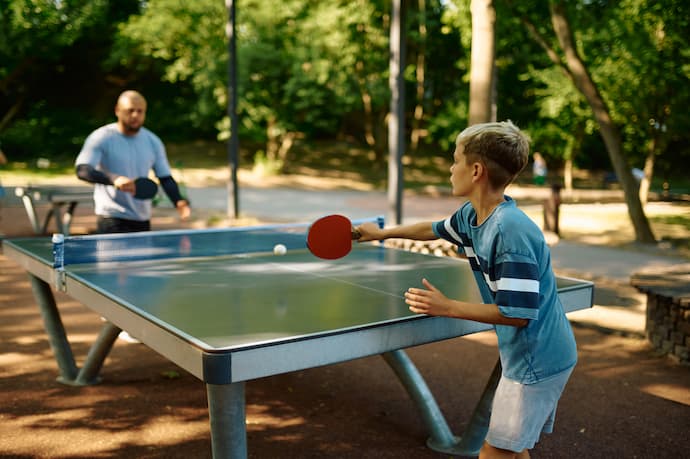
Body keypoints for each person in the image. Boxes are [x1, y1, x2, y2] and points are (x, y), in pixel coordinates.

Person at [356, 121, 577, 459]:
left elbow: (516, 314)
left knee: (494, 451)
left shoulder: (508, 232)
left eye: (455, 159)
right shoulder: (473, 216)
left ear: (475, 170)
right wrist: (381, 234)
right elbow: (431, 229)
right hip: (530, 355)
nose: (450, 167)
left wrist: (448, 307)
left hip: (537, 359)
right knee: (512, 451)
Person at [75, 90, 190, 233]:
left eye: (140, 111)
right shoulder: (101, 137)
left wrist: (178, 201)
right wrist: (113, 178)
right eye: (130, 110)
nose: (135, 115)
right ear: (117, 110)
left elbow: (165, 177)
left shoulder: (153, 141)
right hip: (111, 216)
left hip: (142, 218)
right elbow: (82, 170)